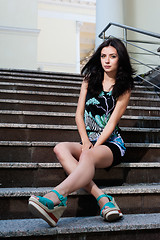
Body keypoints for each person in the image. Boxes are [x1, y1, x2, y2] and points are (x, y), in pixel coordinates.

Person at [28, 37, 135, 227]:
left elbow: (111, 124)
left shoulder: (124, 88)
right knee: (60, 148)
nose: (107, 60)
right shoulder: (89, 80)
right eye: (103, 56)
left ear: (121, 59)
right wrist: (85, 141)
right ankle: (103, 198)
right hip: (89, 140)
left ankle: (56, 196)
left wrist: (93, 146)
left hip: (111, 144)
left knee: (87, 156)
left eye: (112, 56)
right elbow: (79, 115)